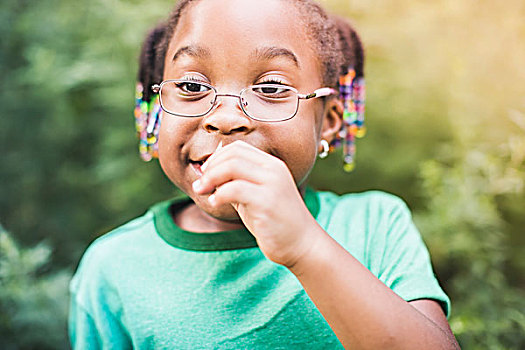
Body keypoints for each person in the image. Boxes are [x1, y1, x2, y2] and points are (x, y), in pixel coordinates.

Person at [69, 0, 460, 348]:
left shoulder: (375, 225)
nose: (224, 119)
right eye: (191, 85)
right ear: (156, 111)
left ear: (329, 122)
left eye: (271, 87)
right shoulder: (111, 267)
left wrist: (305, 246)